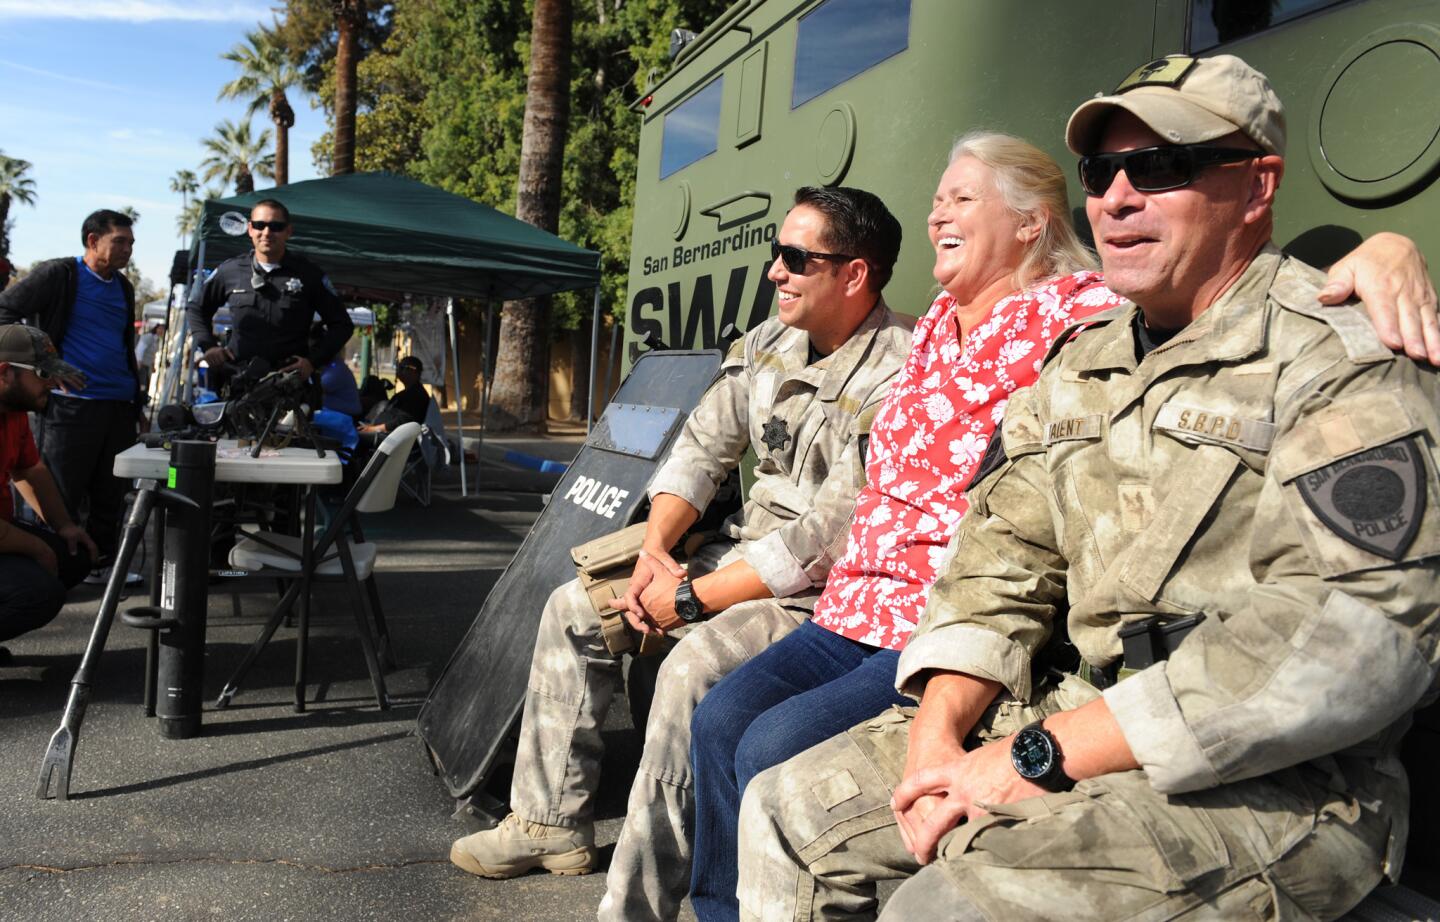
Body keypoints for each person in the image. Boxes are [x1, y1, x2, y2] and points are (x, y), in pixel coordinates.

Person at [735, 53, 1440, 922]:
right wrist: (935, 733)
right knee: (785, 809)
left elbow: (1359, 629)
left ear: (1258, 186)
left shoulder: (1336, 358)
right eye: (1101, 171)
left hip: (1272, 783)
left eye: (1162, 167)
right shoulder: (1082, 362)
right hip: (1062, 713)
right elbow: (998, 557)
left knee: (949, 906)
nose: (1116, 197)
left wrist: (1041, 755)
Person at [447, 187, 913, 922]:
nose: (775, 273)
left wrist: (691, 600)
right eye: (776, 254)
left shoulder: (902, 370)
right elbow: (703, 449)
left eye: (796, 258)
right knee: (574, 607)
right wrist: (656, 553)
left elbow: (830, 537)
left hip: (814, 596)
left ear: (854, 274)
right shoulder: (766, 344)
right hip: (734, 555)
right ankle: (548, 822)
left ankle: (639, 903)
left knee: (689, 671)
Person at [0, 209, 143, 586]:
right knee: (61, 491)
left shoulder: (124, 287)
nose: (128, 249)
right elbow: (4, 310)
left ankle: (102, 565)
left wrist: (137, 401)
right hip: (71, 406)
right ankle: (48, 570)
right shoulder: (59, 274)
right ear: (93, 241)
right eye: (120, 241)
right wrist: (48, 367)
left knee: (111, 493)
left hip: (118, 405)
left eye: (131, 242)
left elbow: (123, 346)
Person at [0, 325, 97, 658]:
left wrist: (64, 526)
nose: (54, 384)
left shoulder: (12, 412)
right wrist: (38, 548)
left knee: (74, 554)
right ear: (4, 373)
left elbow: (29, 470)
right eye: (44, 374)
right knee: (38, 593)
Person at [186, 199, 353, 385]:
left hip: (288, 386)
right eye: (260, 225)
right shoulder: (230, 270)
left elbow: (342, 324)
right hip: (238, 382)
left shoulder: (309, 274)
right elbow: (196, 309)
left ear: (288, 231)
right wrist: (209, 347)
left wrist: (313, 362)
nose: (267, 232)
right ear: (250, 229)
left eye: (276, 226)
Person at [134, 322, 163, 395]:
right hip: (141, 364)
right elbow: (140, 349)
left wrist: (153, 365)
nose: (162, 331)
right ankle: (139, 398)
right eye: (160, 329)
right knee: (142, 383)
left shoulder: (157, 340)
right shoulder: (149, 337)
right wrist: (139, 362)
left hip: (147, 365)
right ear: (156, 329)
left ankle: (143, 399)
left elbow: (153, 354)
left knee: (146, 383)